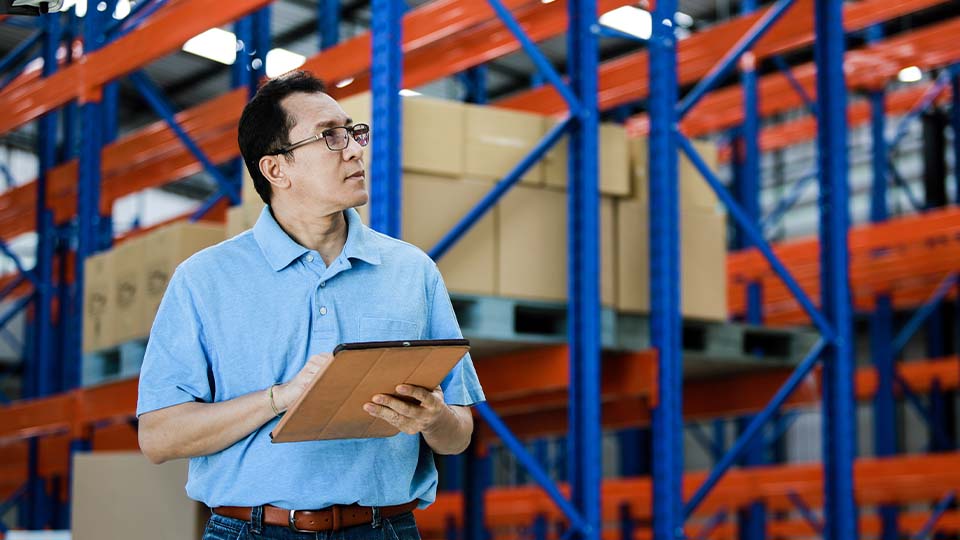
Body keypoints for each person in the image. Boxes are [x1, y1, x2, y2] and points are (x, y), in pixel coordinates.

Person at [136, 70, 485, 540]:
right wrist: (280, 398)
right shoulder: (204, 280)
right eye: (329, 137)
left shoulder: (411, 270)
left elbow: (459, 434)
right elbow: (158, 437)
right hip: (251, 531)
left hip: (385, 529)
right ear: (276, 170)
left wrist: (434, 418)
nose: (356, 148)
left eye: (353, 133)